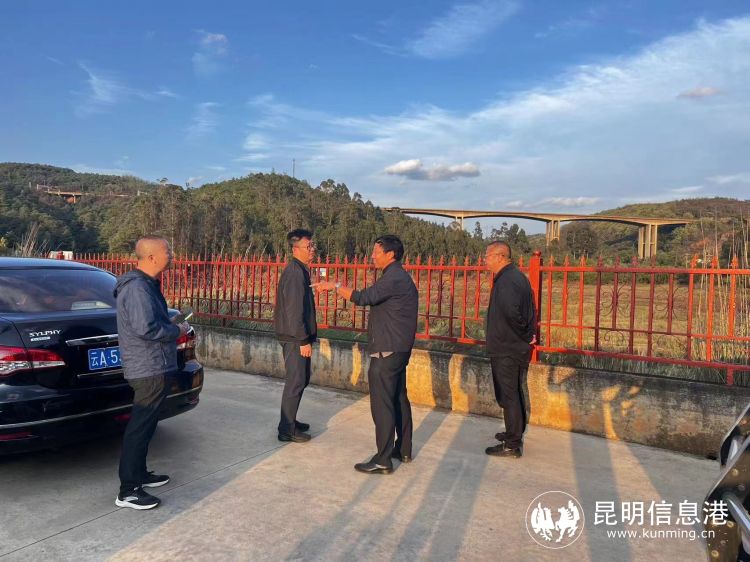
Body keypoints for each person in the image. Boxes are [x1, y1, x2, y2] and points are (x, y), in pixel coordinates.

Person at [314, 235, 417, 474]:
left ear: (390, 254)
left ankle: (383, 459)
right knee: (398, 398)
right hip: (398, 349)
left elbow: (363, 297)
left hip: (387, 350)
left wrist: (335, 286)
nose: (372, 256)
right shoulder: (400, 277)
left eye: (376, 252)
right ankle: (403, 449)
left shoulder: (393, 277)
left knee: (382, 404)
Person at [113, 236, 189, 510]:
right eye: (168, 251)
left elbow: (150, 322)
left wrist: (169, 322)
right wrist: (177, 330)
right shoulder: (137, 288)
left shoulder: (147, 284)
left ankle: (140, 474)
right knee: (140, 426)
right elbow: (146, 328)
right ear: (152, 257)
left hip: (156, 364)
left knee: (147, 425)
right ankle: (129, 490)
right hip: (148, 367)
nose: (172, 254)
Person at [483, 241, 536, 459]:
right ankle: (513, 433)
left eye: (487, 256)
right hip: (511, 346)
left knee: (509, 395)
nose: (485, 260)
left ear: (500, 256)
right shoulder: (514, 277)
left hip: (508, 347)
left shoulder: (507, 281)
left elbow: (513, 314)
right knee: (513, 391)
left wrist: (525, 335)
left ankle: (512, 444)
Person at [273, 229, 317, 443]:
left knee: (301, 379)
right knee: (296, 381)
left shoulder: (301, 270)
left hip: (296, 337)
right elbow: (294, 311)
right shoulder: (295, 273)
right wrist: (303, 340)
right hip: (294, 338)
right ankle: (286, 429)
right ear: (295, 249)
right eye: (308, 246)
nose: (312, 250)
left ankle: (290, 420)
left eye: (312, 245)